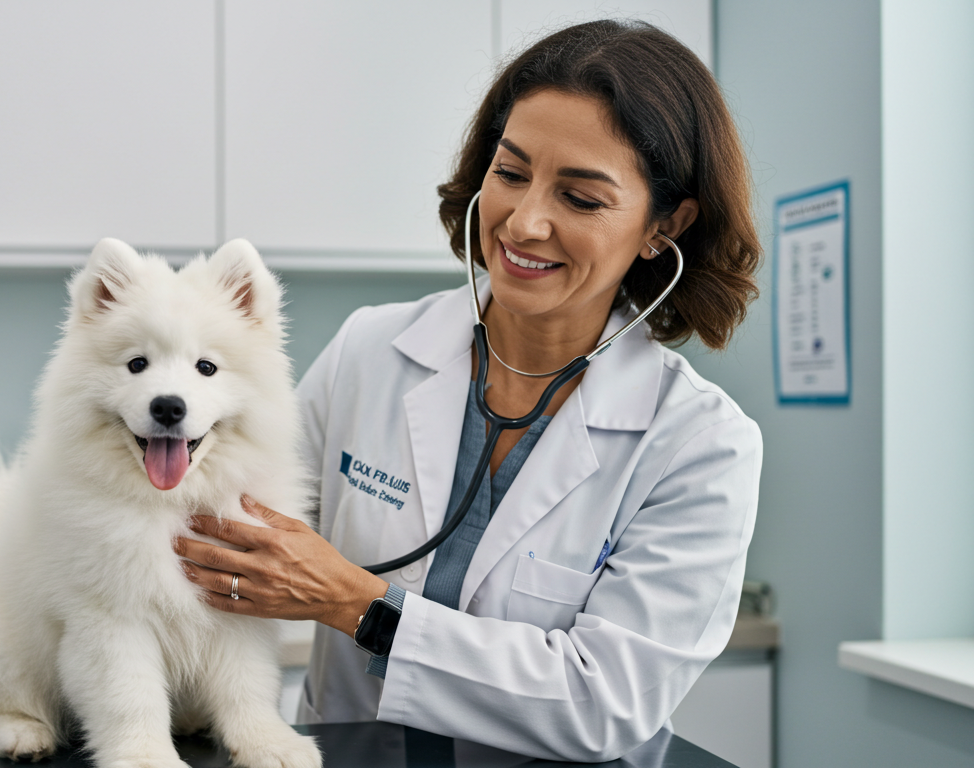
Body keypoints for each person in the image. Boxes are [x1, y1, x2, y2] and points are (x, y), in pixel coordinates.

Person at [174, 19, 762, 763]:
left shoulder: (699, 443)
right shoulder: (370, 353)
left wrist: (359, 607)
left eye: (580, 198)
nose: (524, 221)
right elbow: (219, 532)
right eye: (510, 173)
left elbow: (603, 703)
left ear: (663, 225)